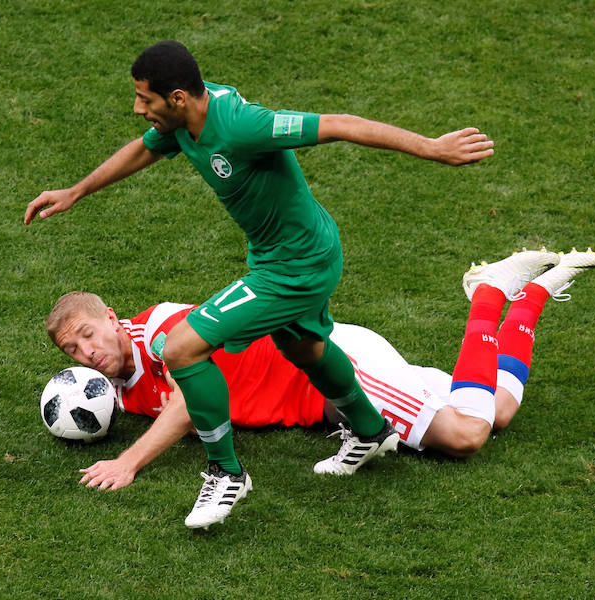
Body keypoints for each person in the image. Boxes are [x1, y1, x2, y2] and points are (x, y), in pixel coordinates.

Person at [25, 40, 495, 528]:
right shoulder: (181, 124)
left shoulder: (241, 127)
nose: (138, 108)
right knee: (305, 349)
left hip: (297, 264)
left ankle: (226, 473)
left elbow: (337, 125)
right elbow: (142, 152)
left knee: (182, 348)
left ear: (179, 97)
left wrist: (433, 148)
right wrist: (77, 191)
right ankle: (371, 430)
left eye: (145, 98)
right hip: (278, 255)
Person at [46, 249, 595, 522]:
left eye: (90, 335)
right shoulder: (111, 391)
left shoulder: (164, 328)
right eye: (73, 350)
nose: (88, 352)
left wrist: (129, 463)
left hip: (337, 372)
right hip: (322, 404)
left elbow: (188, 404)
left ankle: (487, 293)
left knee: (467, 436)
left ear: (114, 319)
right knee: (497, 410)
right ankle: (529, 298)